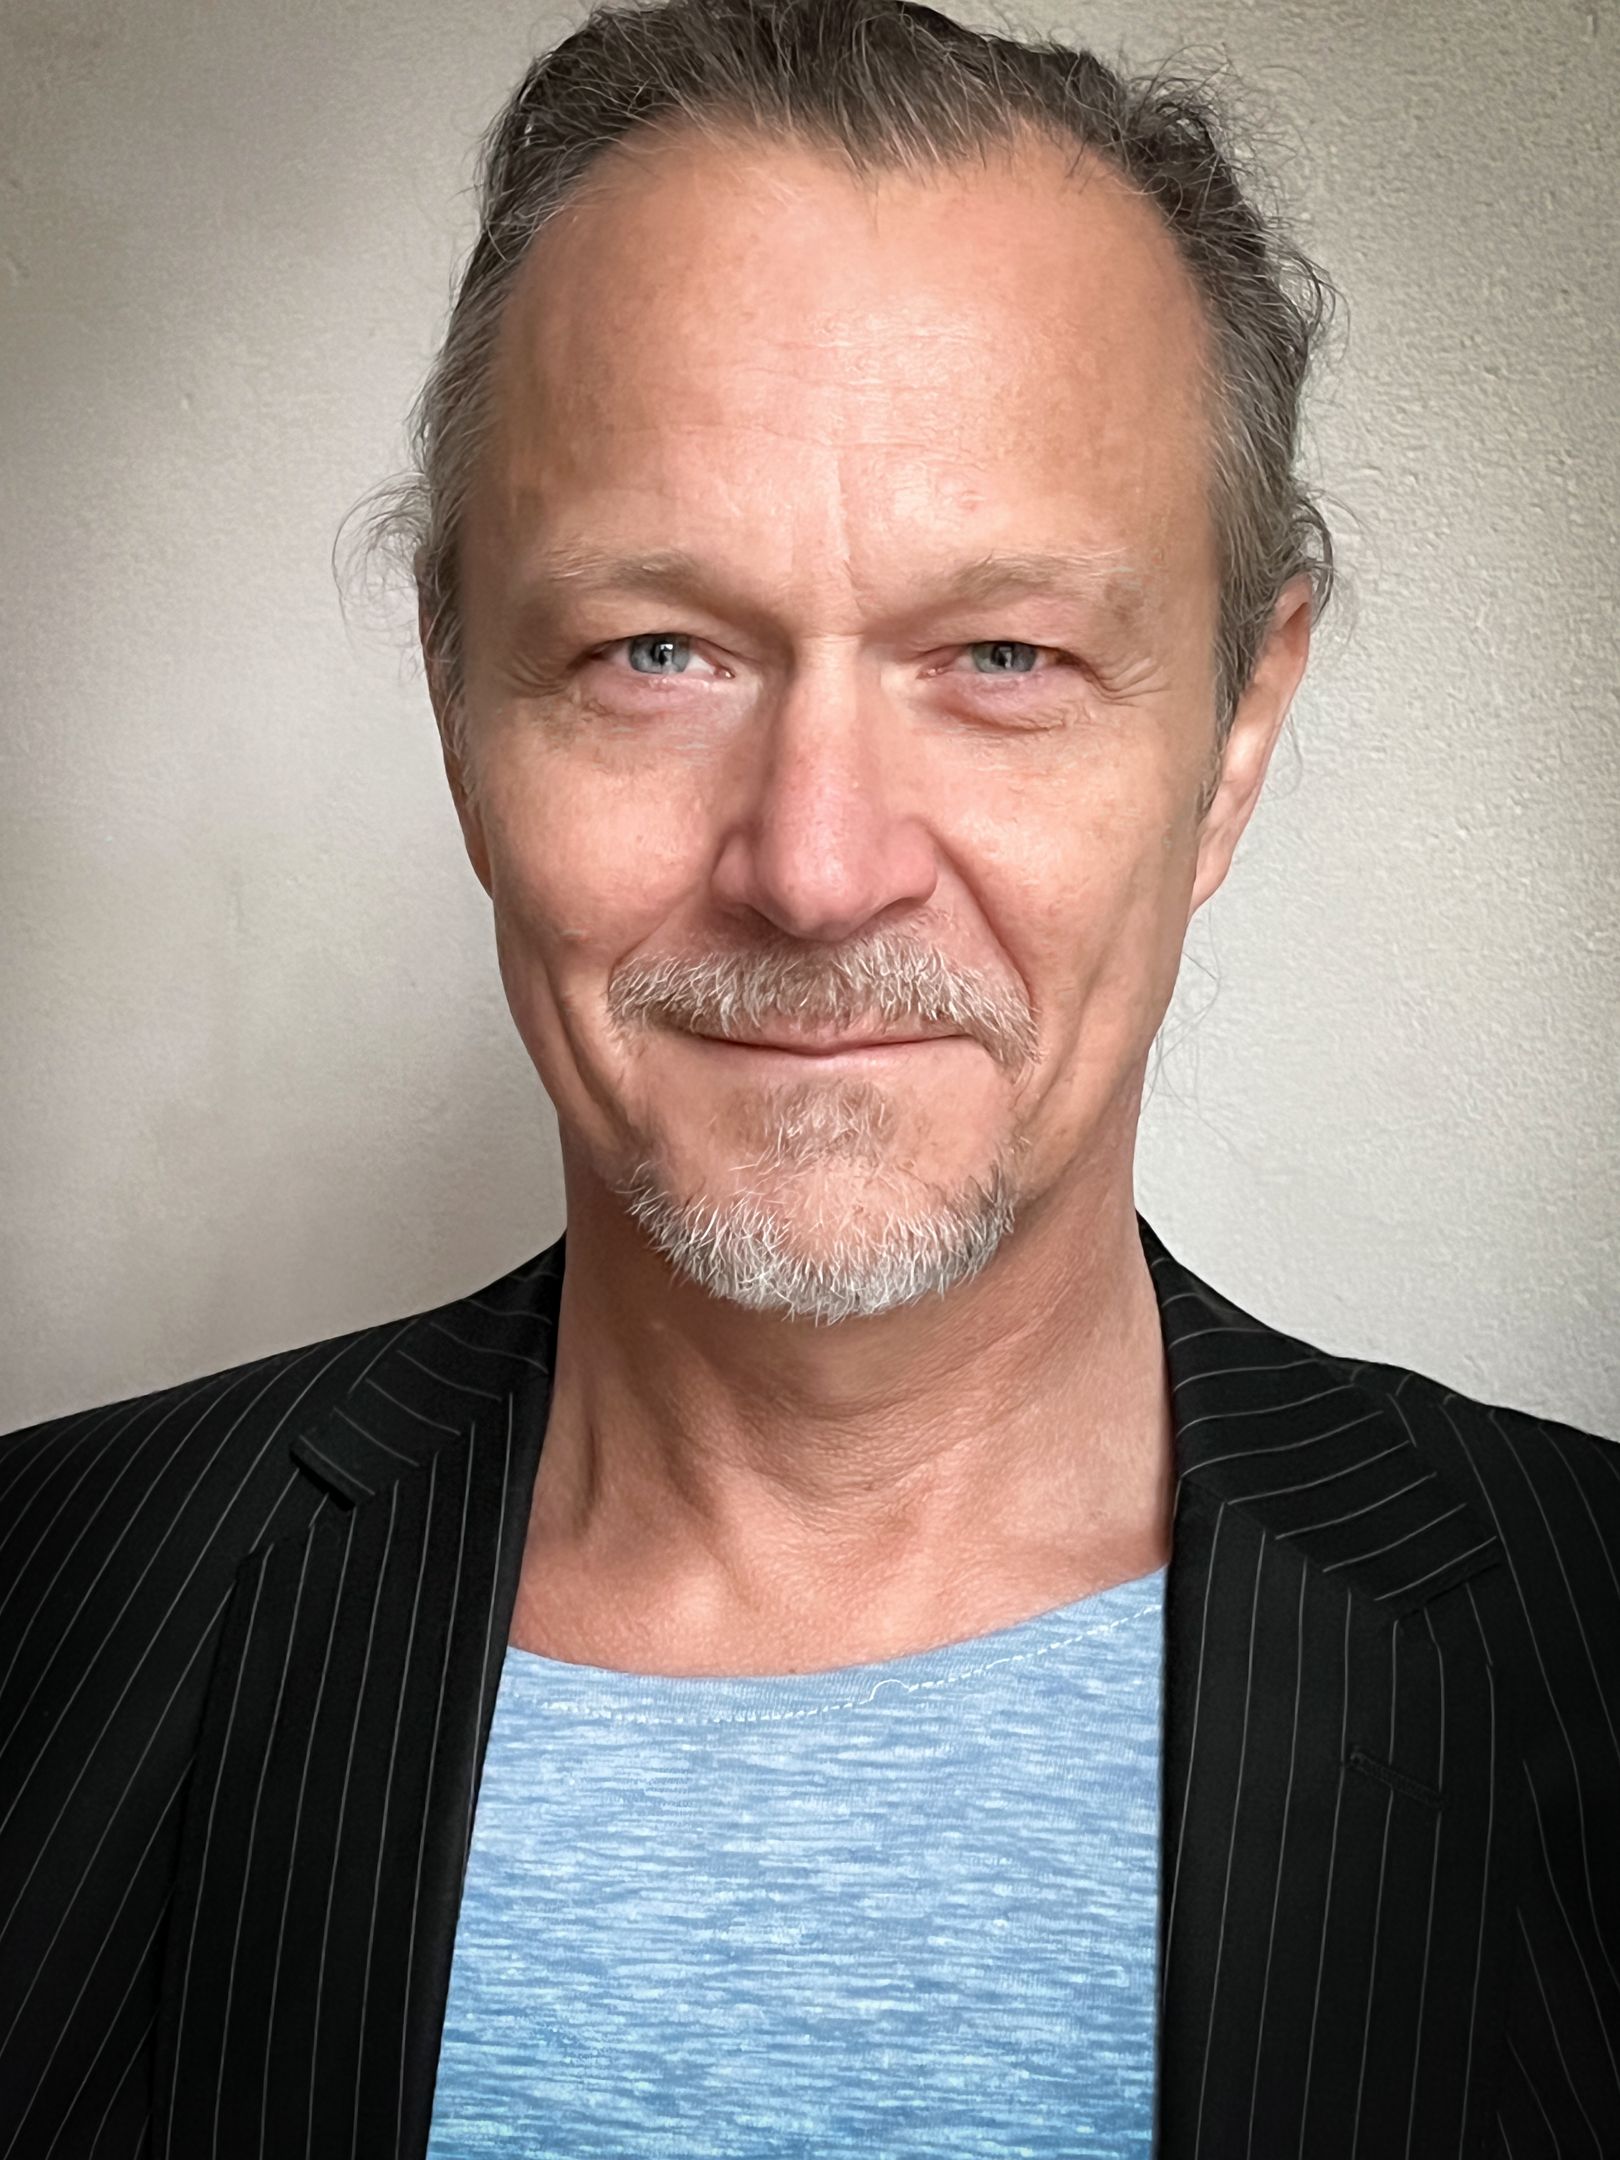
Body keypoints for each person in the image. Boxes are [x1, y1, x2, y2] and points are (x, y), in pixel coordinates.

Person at [2, 2, 1615, 2154]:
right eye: (656, 651)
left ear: (1237, 735)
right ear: (458, 704)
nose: (818, 865)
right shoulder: (42, 1616)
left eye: (1005, 656)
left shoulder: (1588, 1630)